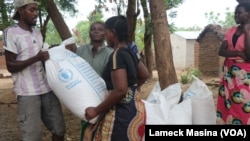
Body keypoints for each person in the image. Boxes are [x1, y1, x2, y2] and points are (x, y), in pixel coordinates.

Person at [3, 0, 66, 140]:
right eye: (32, 10)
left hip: (47, 89)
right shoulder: (11, 32)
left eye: (37, 10)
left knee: (59, 129)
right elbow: (10, 66)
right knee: (32, 136)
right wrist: (36, 58)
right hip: (27, 93)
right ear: (20, 11)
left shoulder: (37, 33)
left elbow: (42, 58)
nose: (36, 13)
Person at [83, 15, 148, 141]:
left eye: (106, 32)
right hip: (134, 109)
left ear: (113, 33)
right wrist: (131, 91)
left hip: (120, 113)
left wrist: (96, 110)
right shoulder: (129, 52)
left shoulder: (116, 55)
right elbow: (144, 75)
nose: (105, 36)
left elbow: (120, 89)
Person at [216, 2, 250, 125]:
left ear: (248, 14)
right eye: (235, 13)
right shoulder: (231, 31)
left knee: (243, 103)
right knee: (227, 102)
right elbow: (221, 51)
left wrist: (247, 31)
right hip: (229, 73)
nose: (236, 15)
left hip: (245, 76)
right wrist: (239, 53)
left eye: (239, 13)